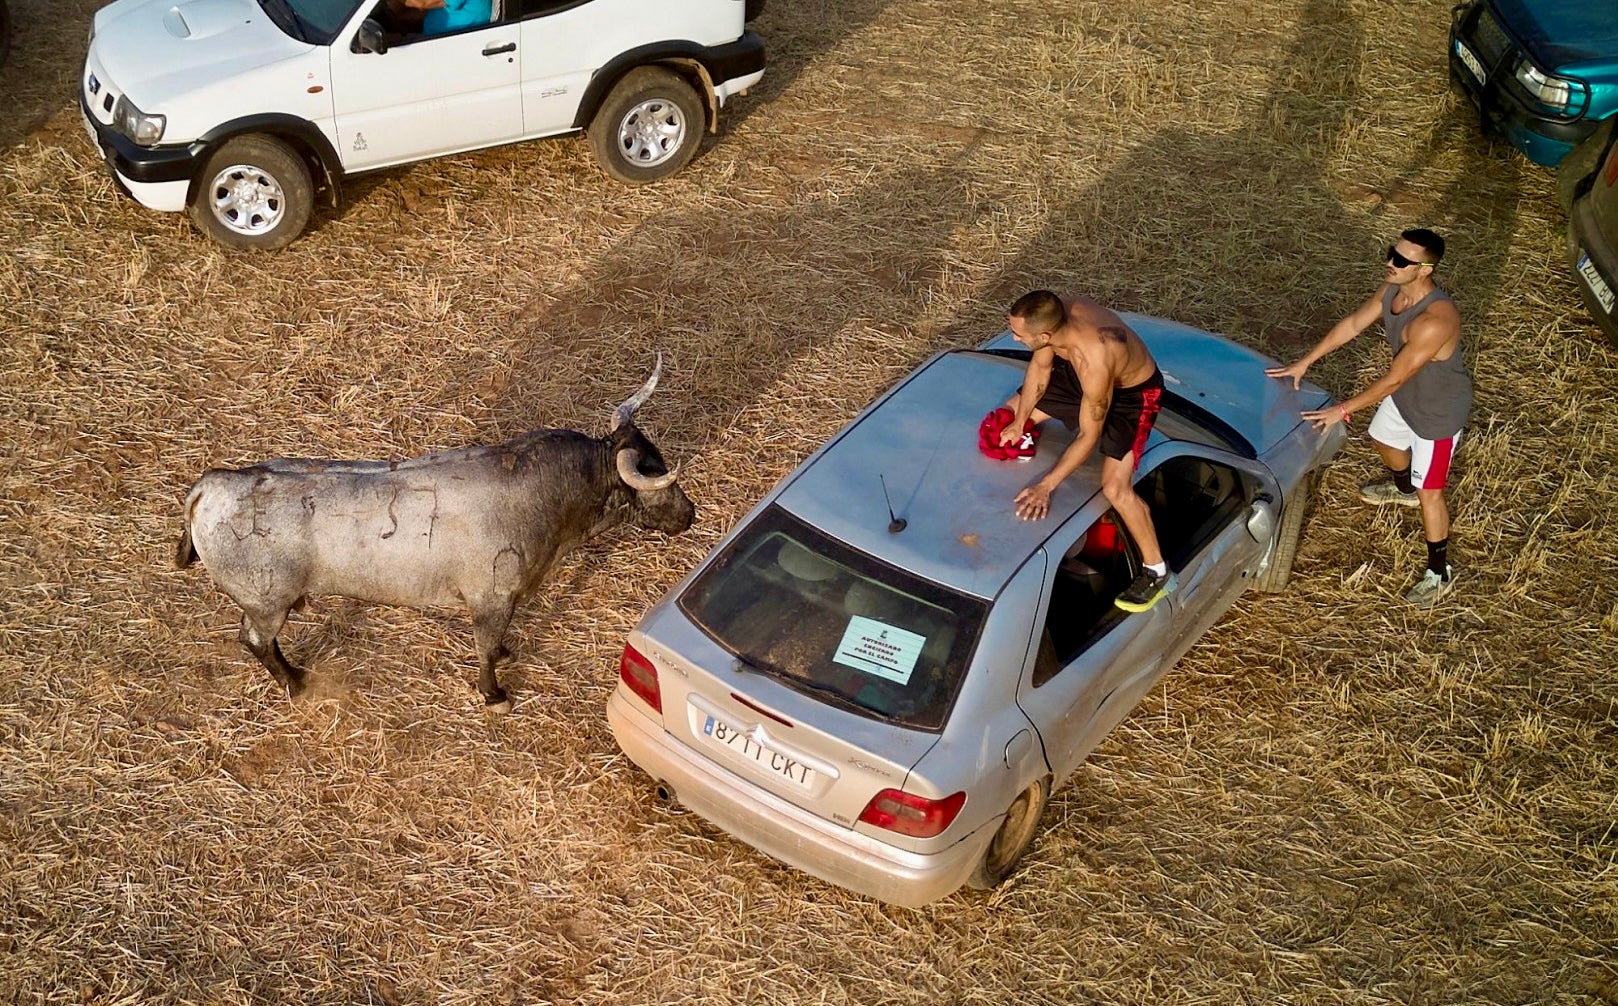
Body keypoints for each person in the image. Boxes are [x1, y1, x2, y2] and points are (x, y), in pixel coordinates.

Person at [1265, 228, 1471, 607]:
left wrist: (1340, 411)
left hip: (1437, 414)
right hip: (1406, 397)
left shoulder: (1435, 320)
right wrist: (1304, 363)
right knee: (1384, 439)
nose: (1390, 263)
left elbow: (1395, 376)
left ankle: (1439, 572)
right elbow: (1354, 324)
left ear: (1425, 270)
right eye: (1391, 253)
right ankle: (1403, 490)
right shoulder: (1392, 288)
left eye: (1402, 261)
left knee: (1432, 493)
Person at [999, 291, 1174, 612]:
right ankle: (1023, 423)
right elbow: (1040, 371)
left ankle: (1157, 572)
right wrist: (1020, 421)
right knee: (1007, 415)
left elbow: (1089, 435)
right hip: (1084, 376)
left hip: (1132, 396)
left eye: (1018, 335)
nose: (1012, 337)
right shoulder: (1052, 314)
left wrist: (1046, 486)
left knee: (1115, 488)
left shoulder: (1093, 356)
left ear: (1044, 334)